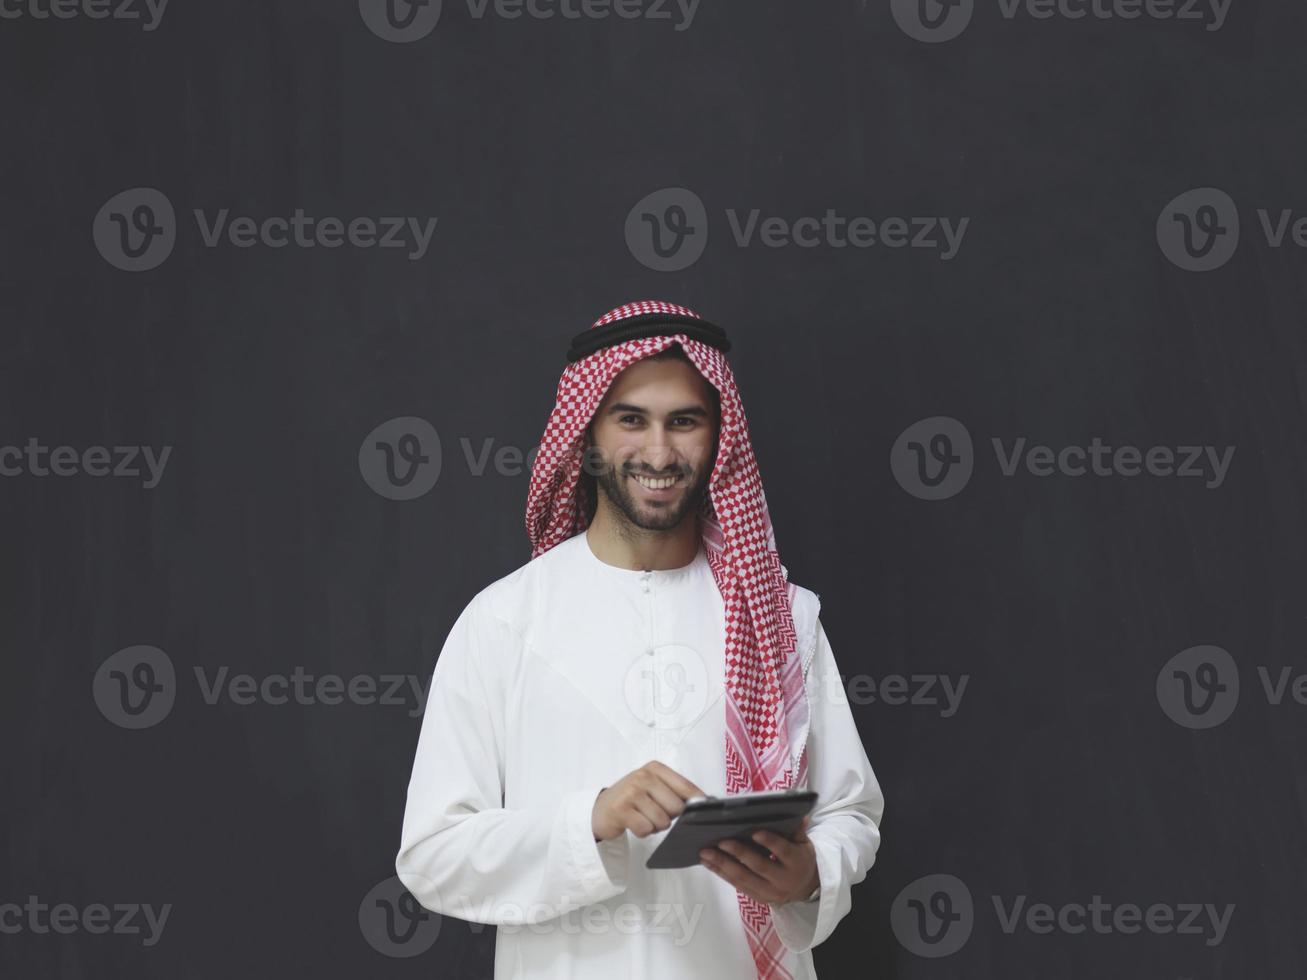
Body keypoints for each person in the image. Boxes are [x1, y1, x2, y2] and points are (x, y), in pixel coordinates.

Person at [395, 300, 885, 979]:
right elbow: (433, 856)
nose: (658, 452)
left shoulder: (780, 617)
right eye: (631, 420)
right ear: (587, 435)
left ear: (718, 437)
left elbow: (850, 814)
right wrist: (589, 820)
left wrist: (808, 878)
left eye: (683, 422)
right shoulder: (504, 621)